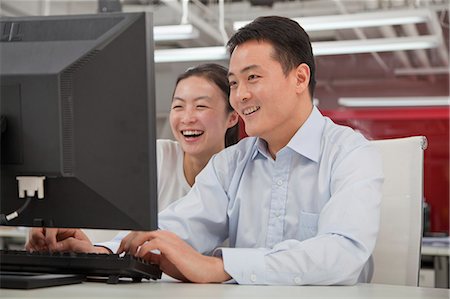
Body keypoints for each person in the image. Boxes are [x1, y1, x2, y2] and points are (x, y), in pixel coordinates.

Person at [28, 16, 384, 286]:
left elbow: (343, 252)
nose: (240, 95)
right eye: (233, 83)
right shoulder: (232, 164)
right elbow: (177, 227)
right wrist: (102, 251)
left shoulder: (351, 154)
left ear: (300, 78)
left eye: (253, 78)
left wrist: (220, 266)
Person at [25, 63, 239, 253]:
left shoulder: (240, 175)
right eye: (178, 106)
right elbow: (105, 213)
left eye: (201, 106)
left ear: (232, 117)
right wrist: (56, 223)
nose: (187, 118)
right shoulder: (158, 158)